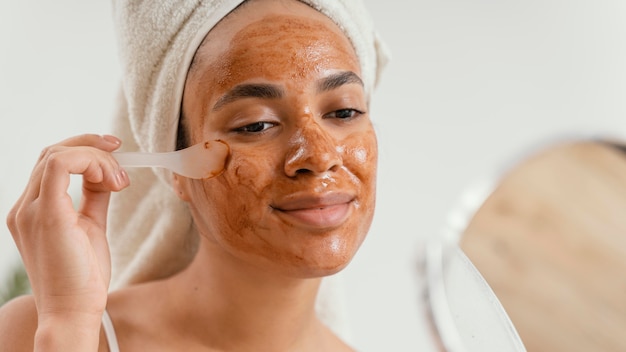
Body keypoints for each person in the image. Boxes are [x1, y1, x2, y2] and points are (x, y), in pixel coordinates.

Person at [0, 0, 388, 350]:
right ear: (176, 169)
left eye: (344, 112)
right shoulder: (40, 332)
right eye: (256, 124)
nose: (319, 156)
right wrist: (69, 324)